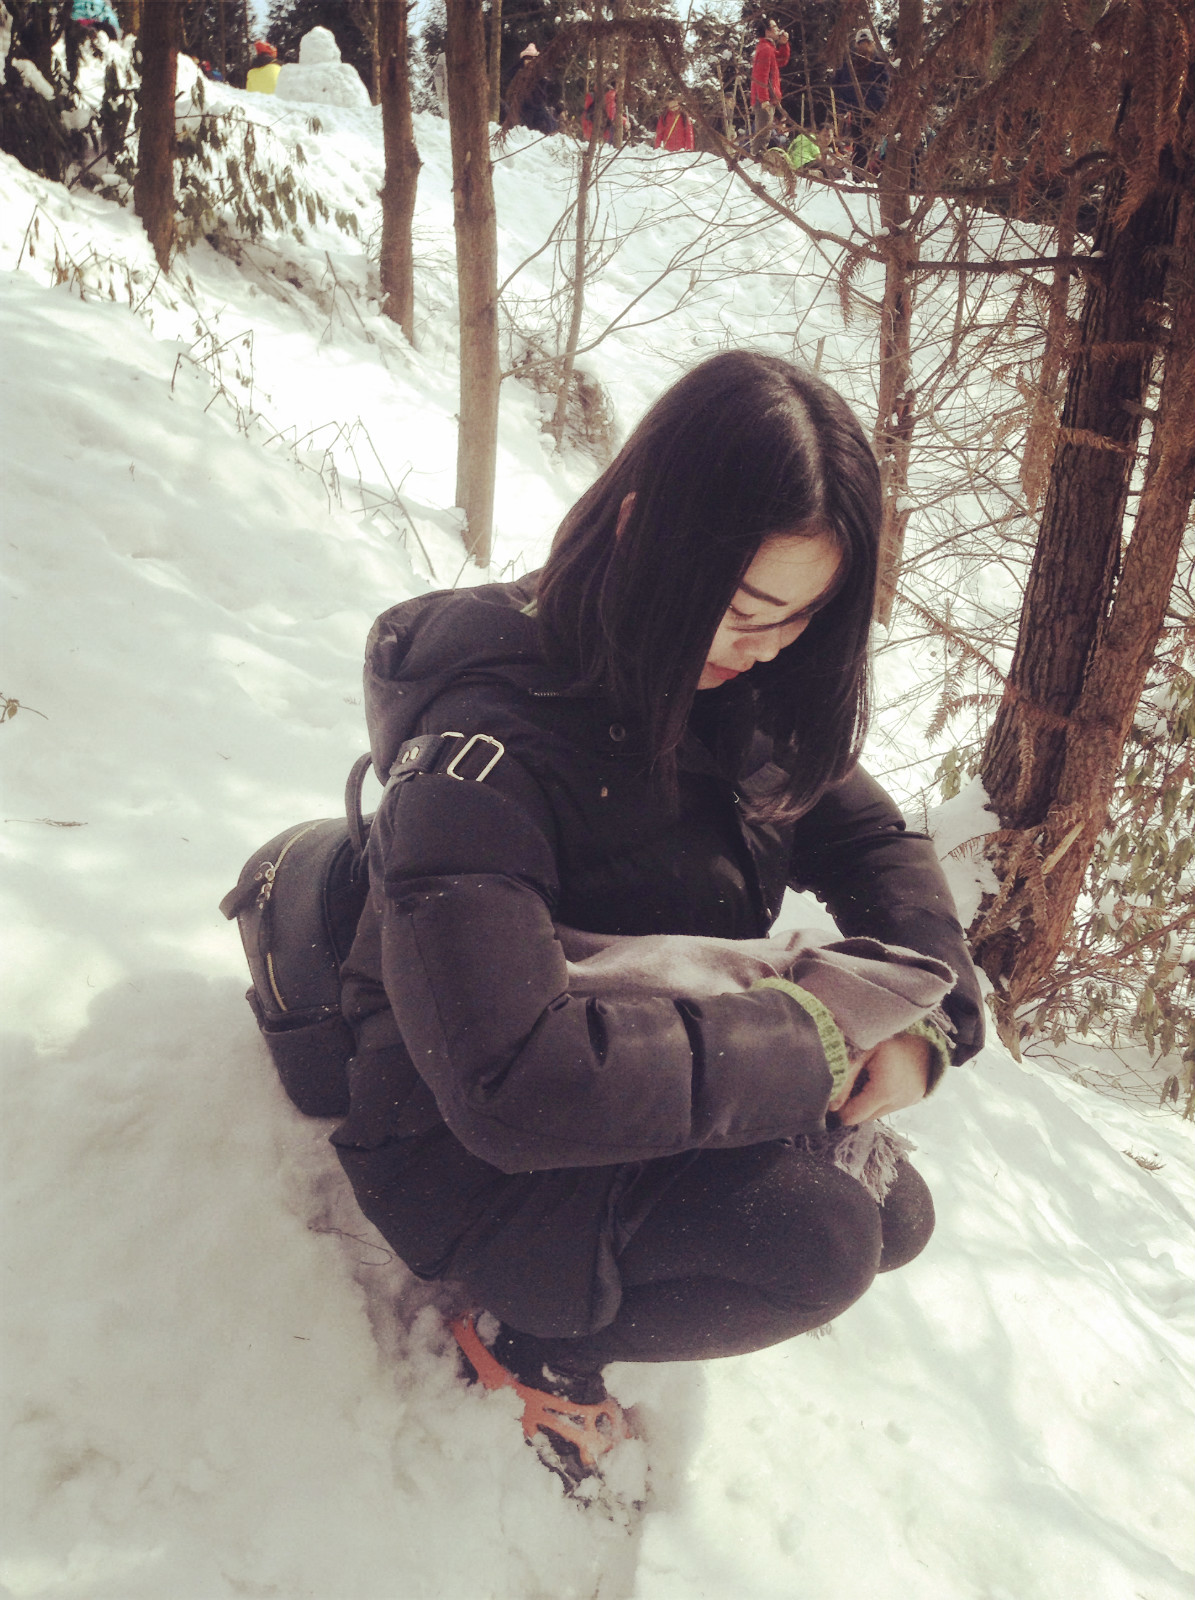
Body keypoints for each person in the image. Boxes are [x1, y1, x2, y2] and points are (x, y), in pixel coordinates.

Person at [332, 351, 983, 1482]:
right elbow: (508, 1084)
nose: (768, 647)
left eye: (804, 618)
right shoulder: (484, 749)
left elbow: (873, 841)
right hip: (462, 1133)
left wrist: (927, 1020)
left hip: (633, 1065)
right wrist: (812, 1044)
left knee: (893, 1216)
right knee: (818, 1245)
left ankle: (593, 1282)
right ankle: (531, 1344)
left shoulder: (733, 692)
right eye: (744, 609)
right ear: (642, 528)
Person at [832, 30, 890, 180]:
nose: (865, 46)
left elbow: (886, 85)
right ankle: (859, 178)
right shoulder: (850, 62)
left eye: (867, 43)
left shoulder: (877, 63)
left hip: (872, 109)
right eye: (863, 43)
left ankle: (863, 177)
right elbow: (837, 84)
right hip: (861, 110)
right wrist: (844, 105)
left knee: (868, 145)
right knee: (863, 145)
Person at [750, 17, 790, 155]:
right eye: (775, 27)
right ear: (767, 31)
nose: (778, 29)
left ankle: (759, 157)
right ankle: (757, 159)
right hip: (764, 98)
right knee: (763, 132)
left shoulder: (768, 48)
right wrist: (764, 100)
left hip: (769, 98)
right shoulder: (766, 49)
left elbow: (782, 61)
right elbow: (760, 76)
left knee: (765, 131)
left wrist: (784, 44)